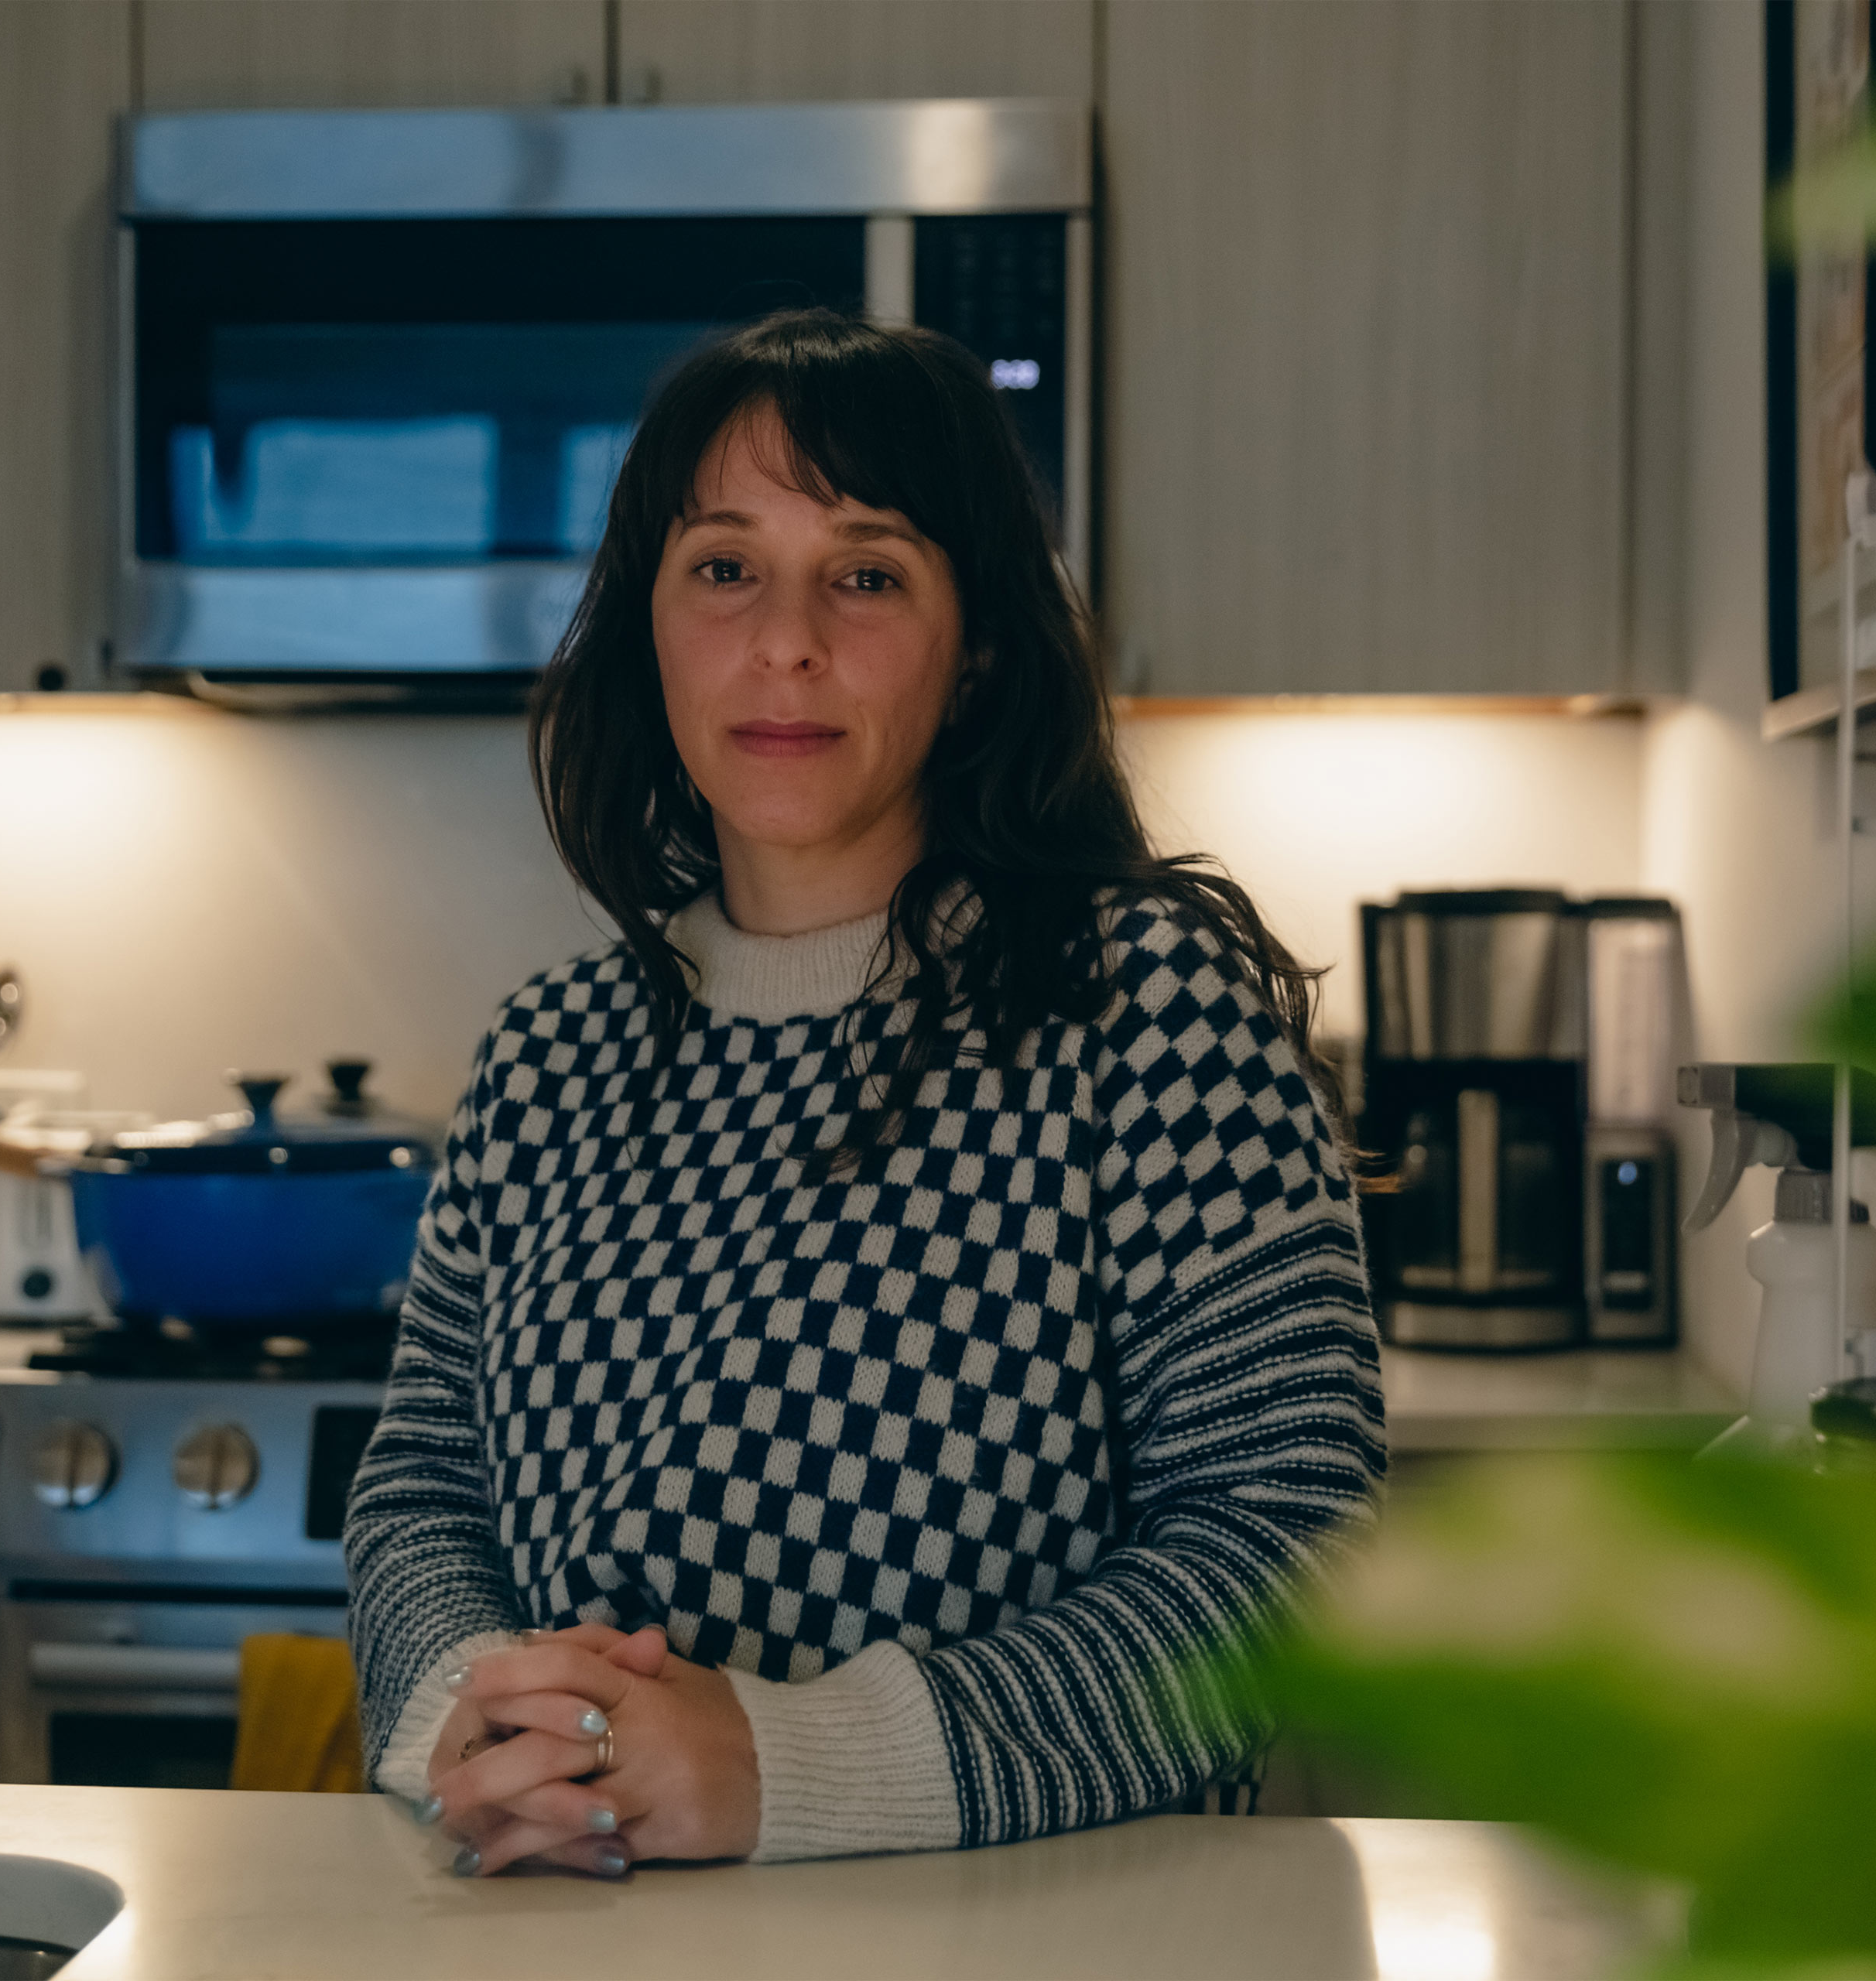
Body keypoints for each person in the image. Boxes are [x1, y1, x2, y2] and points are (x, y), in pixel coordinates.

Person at [343, 308, 1384, 1879]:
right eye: (723, 567)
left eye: (870, 571)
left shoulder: (1144, 1007)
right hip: (577, 1925)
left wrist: (794, 1764)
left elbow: (1283, 1538)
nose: (786, 641)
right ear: (649, 625)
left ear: (974, 654)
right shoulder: (550, 1051)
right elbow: (422, 1484)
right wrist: (477, 1723)